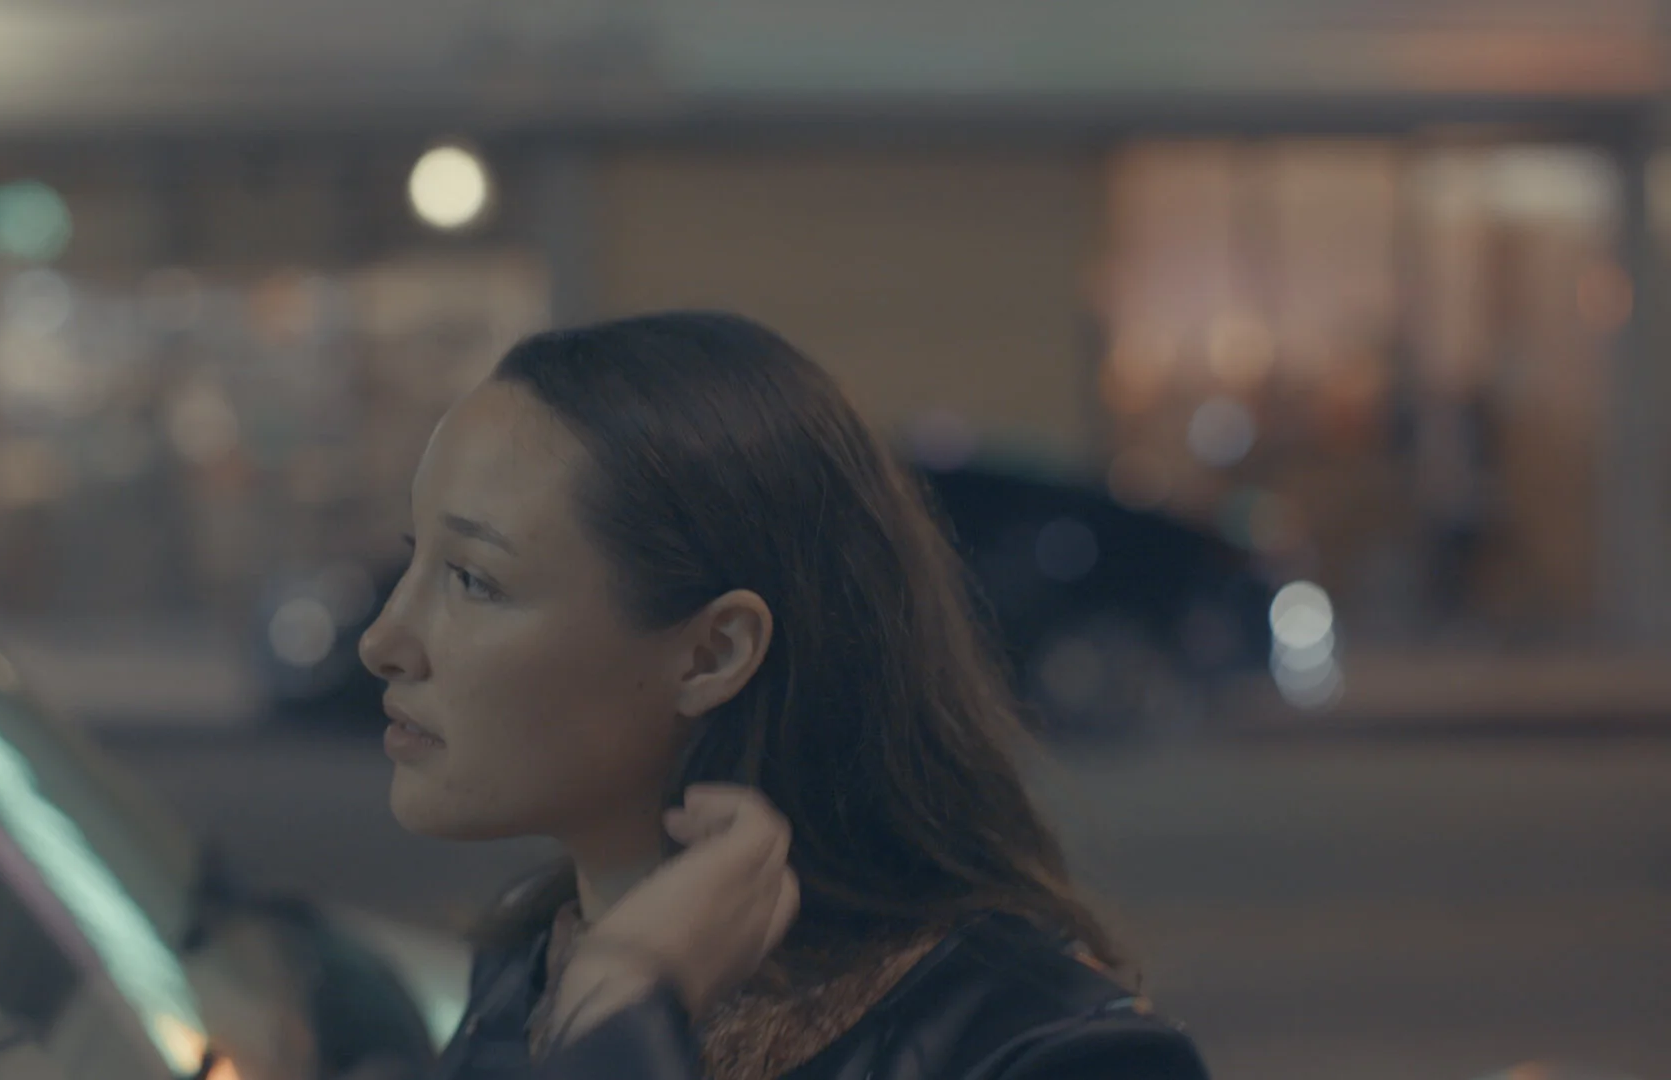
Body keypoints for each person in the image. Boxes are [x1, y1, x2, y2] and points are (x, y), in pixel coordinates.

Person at [358, 312, 1209, 1080]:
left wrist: (625, 1003)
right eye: (413, 555)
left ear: (712, 654)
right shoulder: (522, 982)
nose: (383, 641)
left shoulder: (1052, 1055)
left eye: (472, 579)